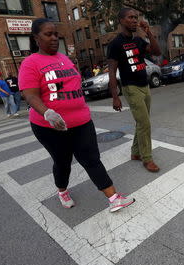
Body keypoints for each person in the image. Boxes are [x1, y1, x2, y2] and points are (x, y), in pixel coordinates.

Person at [18, 18, 134, 212]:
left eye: (56, 34)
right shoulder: (30, 63)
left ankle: (114, 198)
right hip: (50, 126)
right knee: (63, 162)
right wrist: (47, 112)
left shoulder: (64, 58)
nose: (54, 38)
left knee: (91, 158)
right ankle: (62, 190)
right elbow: (30, 94)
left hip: (81, 121)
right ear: (36, 38)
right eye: (48, 34)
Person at [108, 8, 162, 172]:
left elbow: (157, 52)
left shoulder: (138, 40)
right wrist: (115, 96)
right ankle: (147, 158)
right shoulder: (115, 44)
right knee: (145, 123)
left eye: (136, 17)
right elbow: (112, 72)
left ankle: (135, 152)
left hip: (145, 85)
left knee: (141, 122)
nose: (134, 20)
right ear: (121, 20)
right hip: (131, 87)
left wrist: (148, 32)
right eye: (131, 17)